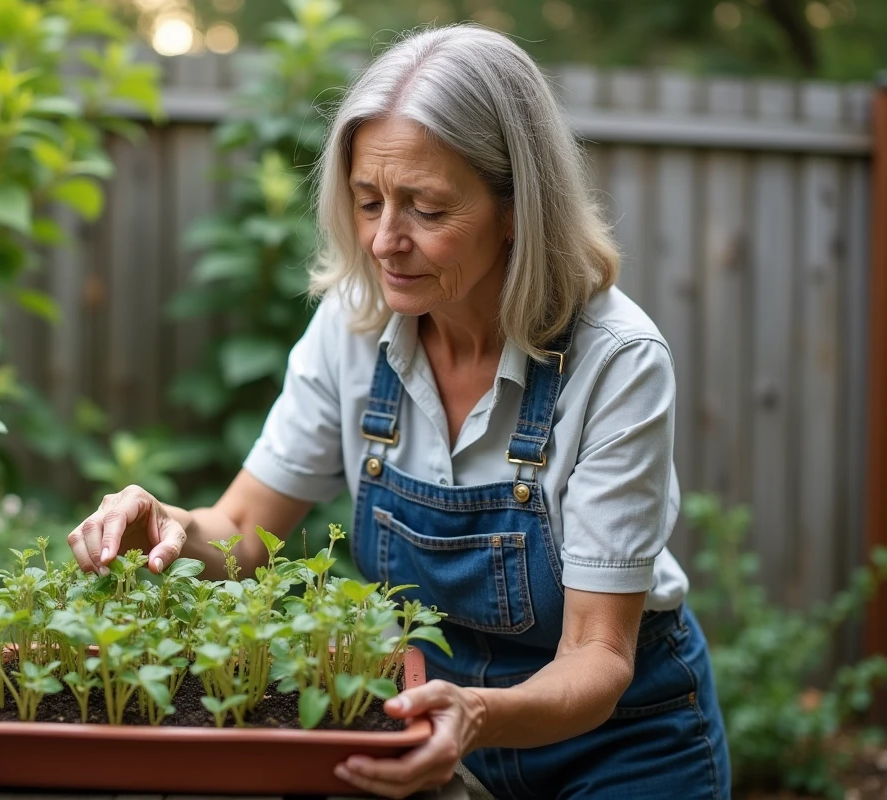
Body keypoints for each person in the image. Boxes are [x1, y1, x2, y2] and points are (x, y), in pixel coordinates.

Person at [68, 23, 730, 800]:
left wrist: (474, 713)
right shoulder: (355, 328)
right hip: (427, 726)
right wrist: (171, 527)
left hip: (624, 744)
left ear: (517, 207)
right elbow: (247, 529)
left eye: (426, 208)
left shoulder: (616, 362)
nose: (385, 241)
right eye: (368, 201)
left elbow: (598, 653)